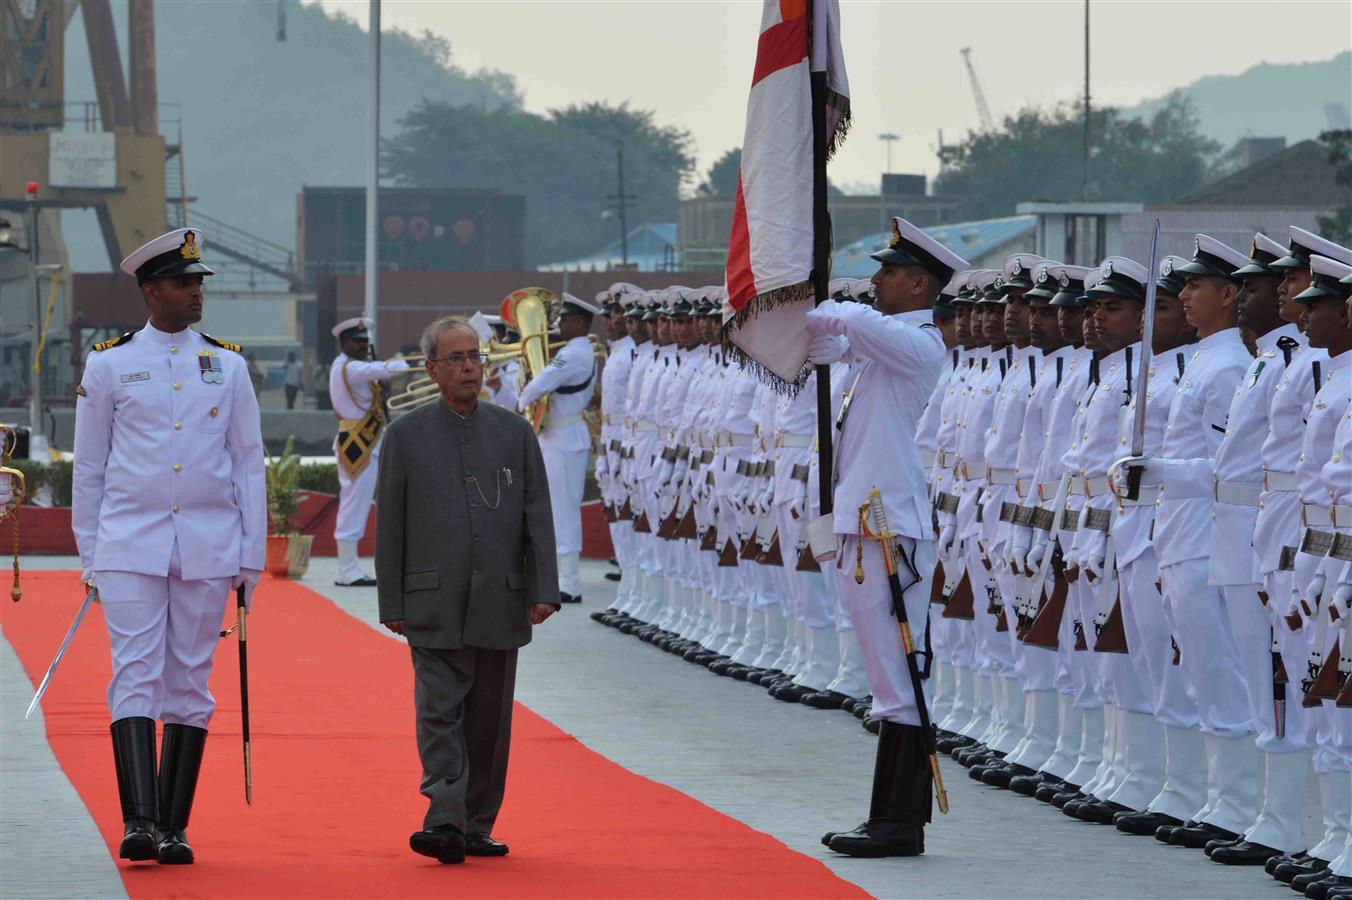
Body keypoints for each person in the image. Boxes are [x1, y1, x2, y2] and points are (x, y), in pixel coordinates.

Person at [71, 227, 266, 865]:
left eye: (199, 283)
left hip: (208, 545)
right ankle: (139, 821)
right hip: (129, 543)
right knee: (135, 672)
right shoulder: (109, 364)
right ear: (151, 292)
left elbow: (247, 464)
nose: (195, 293)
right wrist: (90, 552)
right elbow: (90, 468)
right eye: (183, 284)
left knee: (190, 681)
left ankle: (175, 827)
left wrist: (251, 555)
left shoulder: (229, 365)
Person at [805, 216, 969, 858]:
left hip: (889, 527)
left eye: (889, 272)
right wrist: (815, 317)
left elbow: (851, 327)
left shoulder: (920, 344)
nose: (876, 281)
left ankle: (898, 824)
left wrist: (826, 303)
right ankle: (890, 817)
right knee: (886, 672)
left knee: (898, 676)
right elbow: (820, 349)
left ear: (920, 284)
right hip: (866, 524)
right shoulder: (882, 347)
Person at [375, 315, 559, 864]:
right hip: (431, 601)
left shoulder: (514, 432)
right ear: (431, 369)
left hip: (501, 600)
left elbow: (537, 517)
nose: (470, 369)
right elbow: (391, 527)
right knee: (439, 715)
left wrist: (543, 587)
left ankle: (477, 824)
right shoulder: (405, 436)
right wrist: (393, 601)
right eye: (455, 359)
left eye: (475, 357)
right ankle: (444, 819)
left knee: (488, 722)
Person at [516, 293, 601, 604]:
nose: (557, 324)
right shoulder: (575, 350)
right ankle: (559, 576)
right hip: (558, 434)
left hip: (564, 437)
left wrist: (520, 403)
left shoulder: (575, 353)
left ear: (578, 323)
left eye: (563, 319)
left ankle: (569, 580)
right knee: (555, 508)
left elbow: (543, 381)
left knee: (563, 510)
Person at [329, 316, 410, 586]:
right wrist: (410, 359)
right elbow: (389, 368)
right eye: (357, 341)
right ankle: (347, 570)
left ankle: (349, 568)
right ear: (343, 342)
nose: (363, 346)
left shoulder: (354, 366)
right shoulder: (349, 368)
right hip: (357, 444)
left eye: (365, 341)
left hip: (366, 441)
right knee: (354, 504)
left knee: (358, 504)